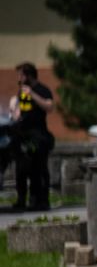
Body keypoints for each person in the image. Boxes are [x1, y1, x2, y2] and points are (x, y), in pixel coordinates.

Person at [9, 63, 55, 211]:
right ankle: (21, 199)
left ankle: (41, 200)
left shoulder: (42, 90)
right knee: (21, 169)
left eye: (21, 75)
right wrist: (14, 109)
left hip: (38, 135)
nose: (19, 79)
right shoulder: (21, 92)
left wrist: (33, 95)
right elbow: (19, 112)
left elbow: (49, 107)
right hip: (23, 135)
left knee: (39, 169)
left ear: (29, 76)